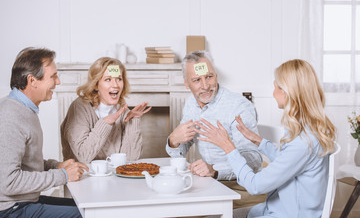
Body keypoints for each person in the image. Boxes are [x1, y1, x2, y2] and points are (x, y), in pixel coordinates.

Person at [196, 59, 336, 218]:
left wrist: (228, 147)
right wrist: (258, 141)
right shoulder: (307, 131)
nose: (273, 92)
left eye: (275, 86)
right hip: (275, 209)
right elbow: (288, 162)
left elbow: (255, 185)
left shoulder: (304, 142)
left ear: (286, 92)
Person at [165, 50, 264, 208]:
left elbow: (254, 159)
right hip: (210, 184)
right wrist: (173, 141)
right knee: (169, 204)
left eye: (209, 77)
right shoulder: (191, 104)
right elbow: (180, 151)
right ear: (186, 83)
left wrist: (215, 170)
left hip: (242, 186)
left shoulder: (238, 106)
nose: (205, 86)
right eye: (197, 80)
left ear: (216, 75)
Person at [0, 47, 89, 218]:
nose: (58, 82)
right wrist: (62, 175)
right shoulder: (9, 116)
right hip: (11, 209)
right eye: (53, 76)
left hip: (24, 202)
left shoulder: (24, 109)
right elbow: (8, 182)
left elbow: (25, 161)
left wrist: (55, 166)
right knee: (88, 215)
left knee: (87, 206)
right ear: (32, 80)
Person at [61, 57, 151, 164]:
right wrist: (105, 123)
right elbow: (83, 156)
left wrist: (133, 121)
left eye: (119, 79)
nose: (115, 85)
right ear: (95, 85)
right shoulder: (79, 108)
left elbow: (131, 160)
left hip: (113, 177)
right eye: (108, 79)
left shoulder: (123, 110)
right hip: (83, 176)